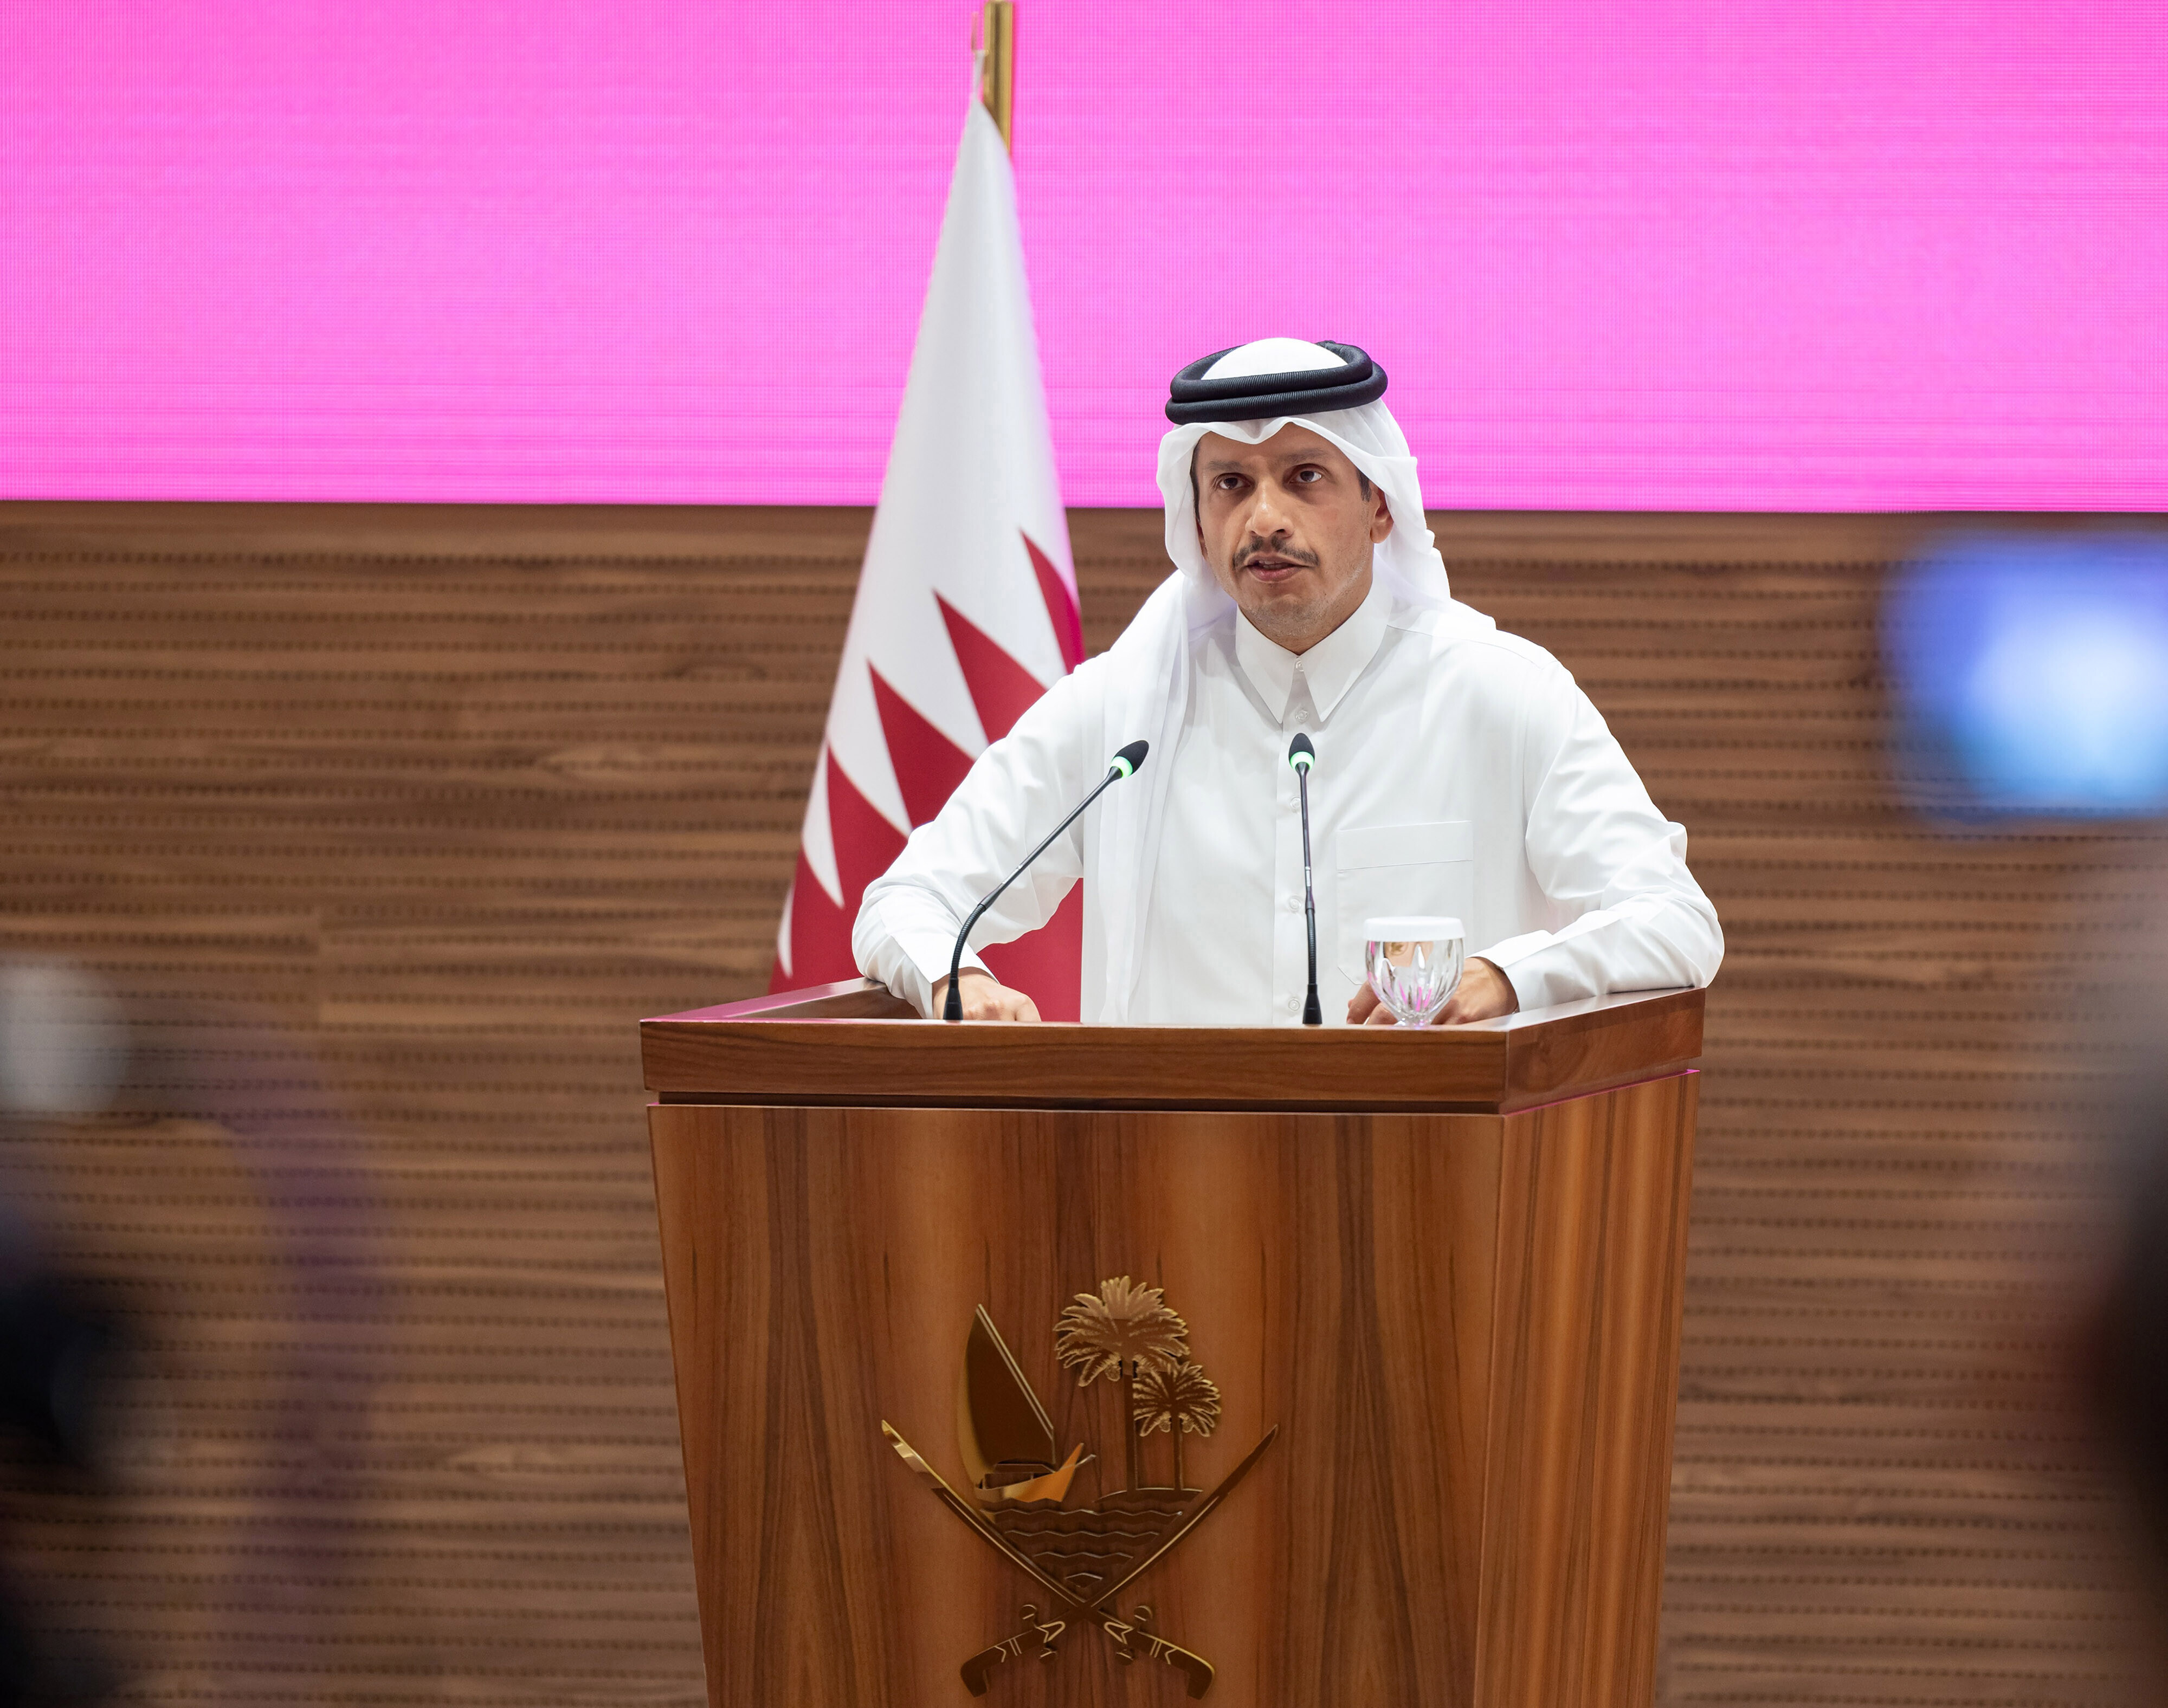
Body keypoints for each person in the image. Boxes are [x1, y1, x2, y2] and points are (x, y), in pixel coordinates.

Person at [854, 338, 1722, 1024]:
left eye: (1304, 478)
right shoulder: (1122, 716)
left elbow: (1676, 922)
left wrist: (1509, 975)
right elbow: (907, 901)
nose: (1264, 518)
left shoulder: (1503, 697)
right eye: (1231, 484)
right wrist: (952, 977)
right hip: (1172, 1205)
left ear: (1381, 506)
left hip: (1431, 1193)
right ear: (1197, 521)